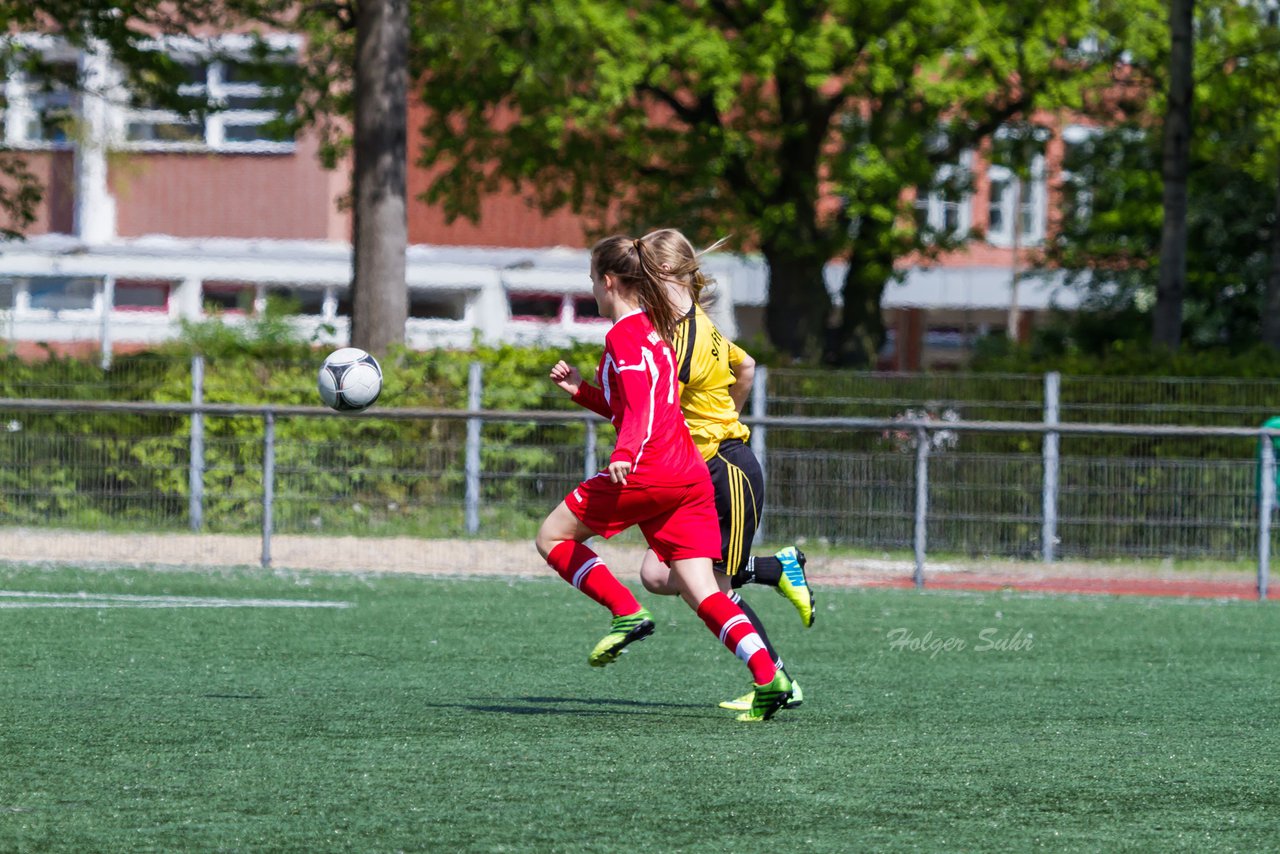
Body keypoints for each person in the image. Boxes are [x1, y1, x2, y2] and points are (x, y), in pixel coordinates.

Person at [535, 234, 793, 722]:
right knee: (701, 588)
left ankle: (625, 612)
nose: (592, 289)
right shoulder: (656, 333)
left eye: (592, 280)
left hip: (649, 467)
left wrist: (627, 450)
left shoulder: (626, 335)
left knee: (551, 537)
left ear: (609, 281)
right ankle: (769, 676)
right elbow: (634, 400)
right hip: (689, 473)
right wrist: (580, 391)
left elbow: (642, 404)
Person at [629, 227, 813, 714]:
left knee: (712, 593)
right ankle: (775, 568)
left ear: (663, 271)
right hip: (703, 470)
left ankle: (779, 681)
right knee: (655, 573)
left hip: (724, 473)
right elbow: (747, 365)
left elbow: (656, 399)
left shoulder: (682, 336)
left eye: (641, 269)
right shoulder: (698, 324)